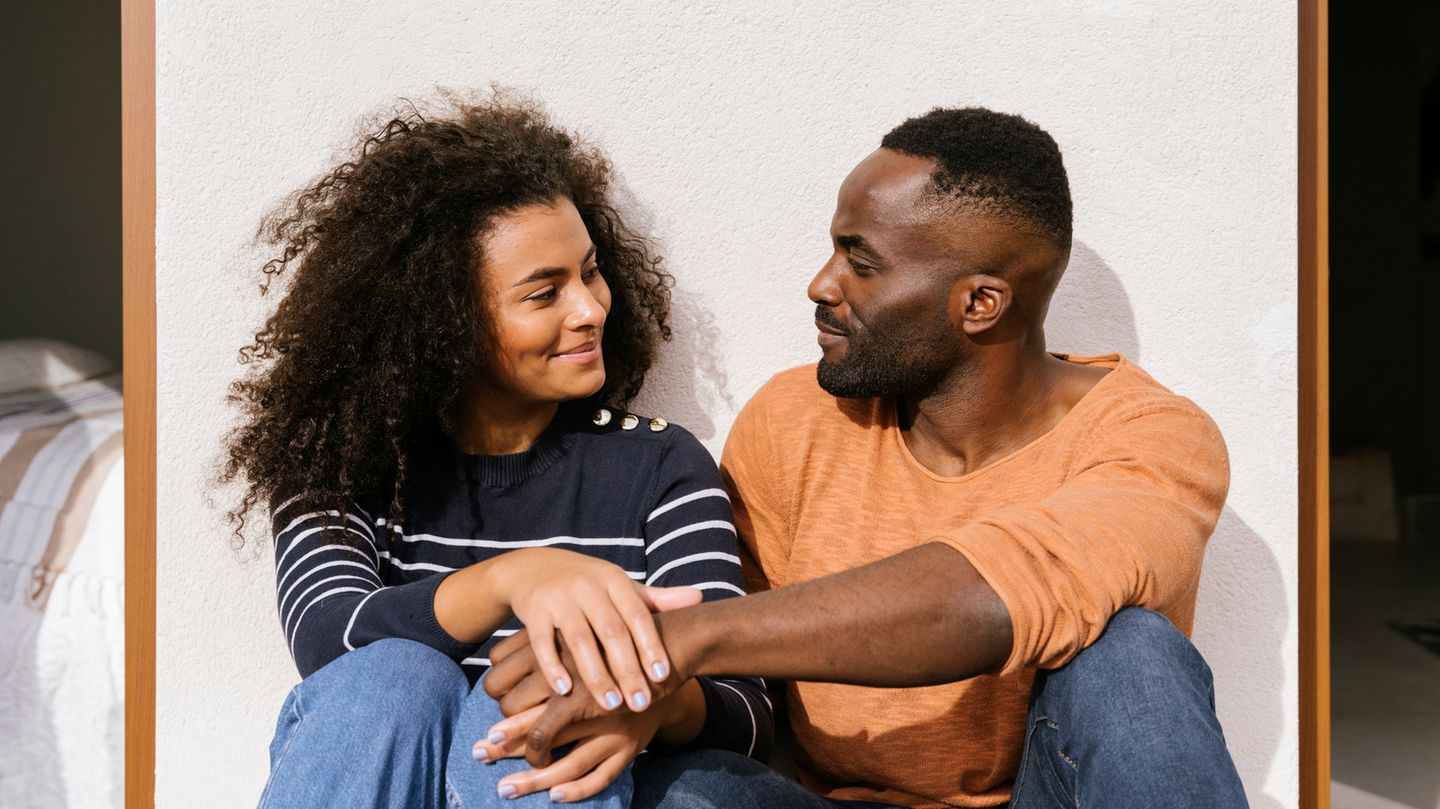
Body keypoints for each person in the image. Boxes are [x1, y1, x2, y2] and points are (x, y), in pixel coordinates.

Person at [484, 107, 1250, 808]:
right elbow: (745, 696)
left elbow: (992, 590)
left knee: (1134, 657)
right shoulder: (795, 421)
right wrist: (647, 698)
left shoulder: (1150, 437)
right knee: (678, 791)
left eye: (862, 260)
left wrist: (686, 638)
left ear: (979, 303)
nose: (822, 284)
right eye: (833, 249)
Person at [219, 94, 772, 808]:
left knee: (545, 685)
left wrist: (648, 700)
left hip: (558, 787)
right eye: (545, 293)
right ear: (443, 324)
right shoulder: (342, 464)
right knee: (394, 678)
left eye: (591, 270)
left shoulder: (660, 467)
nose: (591, 308)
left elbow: (746, 710)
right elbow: (331, 642)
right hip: (380, 764)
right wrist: (518, 580)